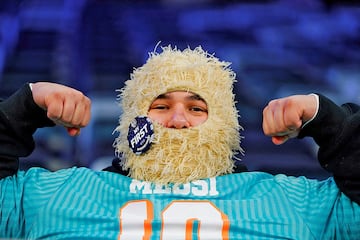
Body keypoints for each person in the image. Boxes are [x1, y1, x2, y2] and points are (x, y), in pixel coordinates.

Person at [0, 46, 360, 239]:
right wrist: (25, 106)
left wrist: (327, 119)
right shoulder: (61, 194)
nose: (176, 120)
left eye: (196, 107)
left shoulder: (292, 202)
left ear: (222, 123)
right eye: (160, 106)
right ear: (131, 122)